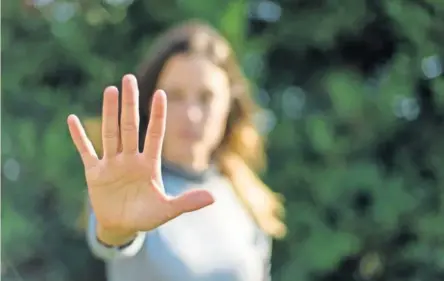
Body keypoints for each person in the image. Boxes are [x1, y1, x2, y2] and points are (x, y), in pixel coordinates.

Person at [67, 20, 286, 281]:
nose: (191, 115)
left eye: (206, 97)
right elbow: (113, 239)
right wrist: (116, 229)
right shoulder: (132, 186)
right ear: (149, 103)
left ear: (229, 104)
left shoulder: (246, 196)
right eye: (174, 95)